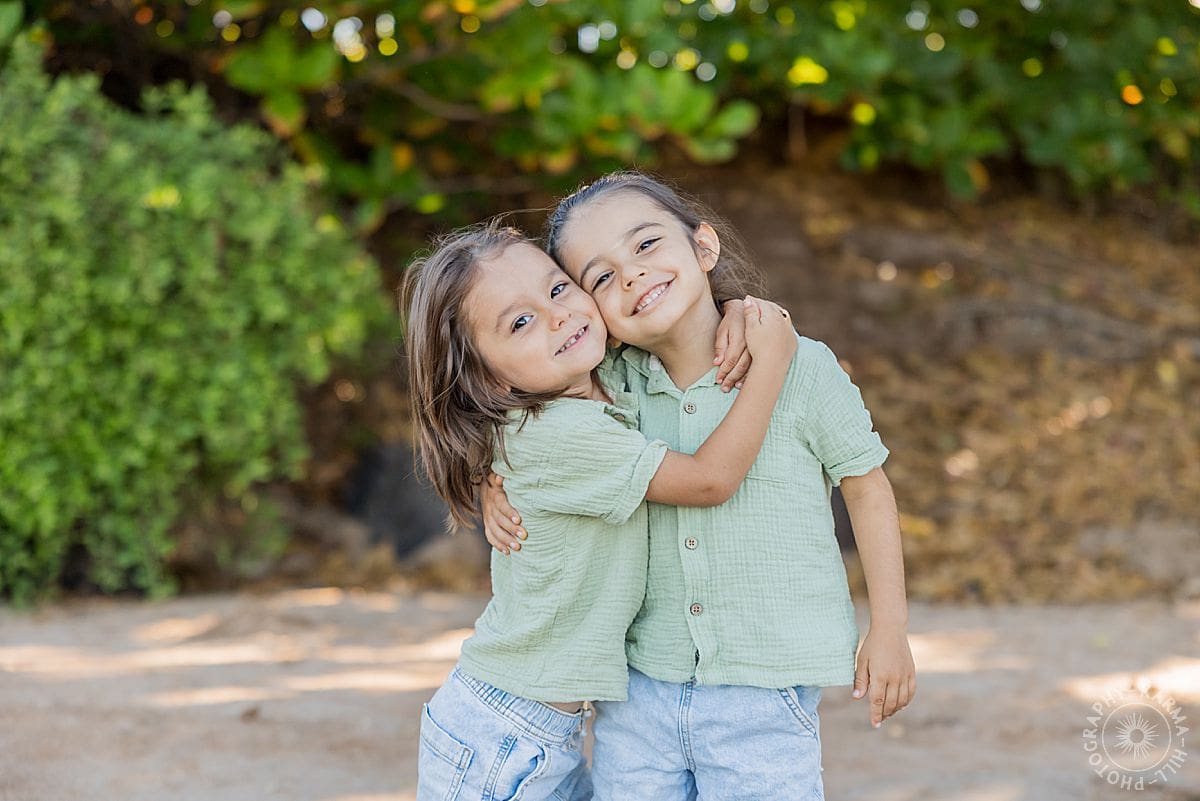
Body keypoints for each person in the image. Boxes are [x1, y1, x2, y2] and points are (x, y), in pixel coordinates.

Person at [481, 172, 916, 801]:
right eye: (600, 278)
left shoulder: (802, 366)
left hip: (763, 694)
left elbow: (867, 486)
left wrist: (890, 627)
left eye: (646, 244)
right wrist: (491, 478)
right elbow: (520, 422)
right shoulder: (608, 386)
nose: (631, 275)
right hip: (638, 692)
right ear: (591, 314)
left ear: (703, 247)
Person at [401, 221, 798, 801]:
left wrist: (738, 309)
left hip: (537, 727)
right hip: (504, 735)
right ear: (486, 379)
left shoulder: (597, 380)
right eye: (520, 322)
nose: (558, 316)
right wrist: (772, 363)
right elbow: (709, 480)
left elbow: (675, 323)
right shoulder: (557, 433)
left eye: (558, 288)